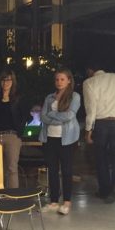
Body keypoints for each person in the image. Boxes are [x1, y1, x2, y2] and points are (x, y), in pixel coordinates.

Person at [83, 64, 115, 203]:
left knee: (101, 157)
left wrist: (88, 131)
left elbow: (91, 109)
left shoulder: (89, 82)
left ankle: (105, 190)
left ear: (90, 70)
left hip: (101, 123)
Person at [39, 69, 81, 215]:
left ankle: (67, 201)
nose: (59, 82)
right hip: (50, 137)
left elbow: (69, 115)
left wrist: (52, 115)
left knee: (67, 170)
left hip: (67, 138)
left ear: (69, 80)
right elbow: (43, 117)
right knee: (52, 170)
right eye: (57, 79)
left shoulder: (74, 96)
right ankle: (54, 201)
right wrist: (56, 118)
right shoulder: (49, 97)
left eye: (62, 79)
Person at [0, 70, 29, 188]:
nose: (6, 83)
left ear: (13, 81)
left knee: (12, 168)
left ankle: (12, 195)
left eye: (8, 80)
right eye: (3, 80)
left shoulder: (18, 99)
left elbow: (24, 116)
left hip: (12, 136)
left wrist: (19, 132)